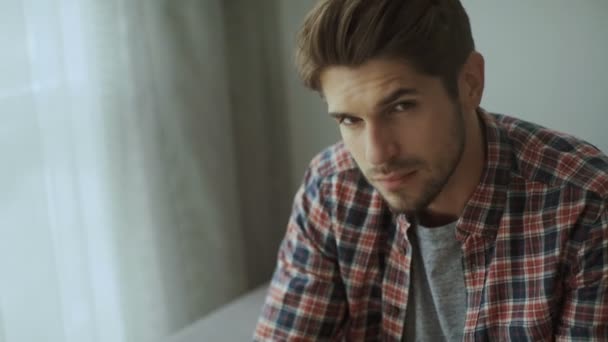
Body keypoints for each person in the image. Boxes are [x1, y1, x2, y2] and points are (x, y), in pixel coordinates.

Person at [254, 0, 608, 340]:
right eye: (350, 119)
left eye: (401, 107)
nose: (377, 154)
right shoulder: (331, 190)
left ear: (470, 82)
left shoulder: (584, 204)